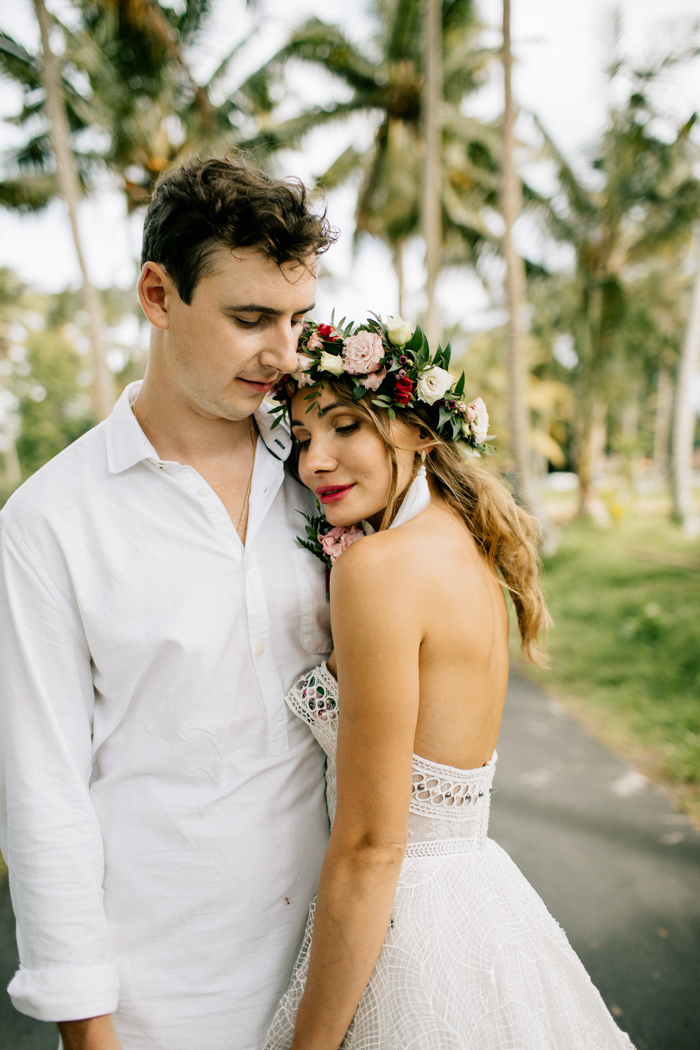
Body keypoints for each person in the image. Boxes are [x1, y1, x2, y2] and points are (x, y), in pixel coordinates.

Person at [0, 155, 337, 1050]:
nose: (285, 353)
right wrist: (90, 1030)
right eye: (251, 318)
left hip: (341, 970)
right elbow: (44, 794)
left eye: (298, 320)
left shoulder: (326, 474)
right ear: (158, 293)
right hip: (166, 1001)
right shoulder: (48, 521)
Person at [262, 317, 636, 1049]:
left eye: (345, 427)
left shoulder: (379, 569)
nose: (315, 463)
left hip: (405, 927)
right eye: (304, 438)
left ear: (419, 431)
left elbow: (373, 845)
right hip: (478, 901)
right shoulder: (468, 550)